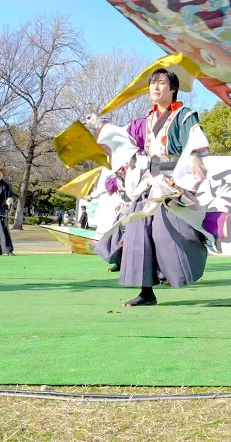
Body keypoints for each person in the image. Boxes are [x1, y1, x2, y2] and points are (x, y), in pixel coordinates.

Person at [90, 67, 218, 308]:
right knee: (139, 232)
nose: (155, 87)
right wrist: (101, 126)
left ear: (172, 89)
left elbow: (195, 138)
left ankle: (179, 266)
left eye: (161, 83)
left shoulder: (184, 115)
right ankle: (146, 291)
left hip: (173, 181)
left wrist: (193, 158)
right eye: (152, 83)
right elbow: (123, 139)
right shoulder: (145, 121)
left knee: (167, 231)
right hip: (150, 181)